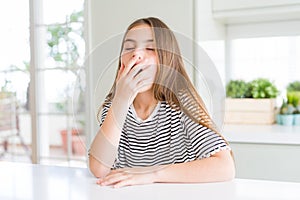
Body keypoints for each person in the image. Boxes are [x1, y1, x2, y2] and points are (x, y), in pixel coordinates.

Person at [88, 17, 235, 188]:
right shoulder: (115, 107)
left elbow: (226, 167)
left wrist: (151, 173)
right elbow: (99, 169)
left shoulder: (182, 105)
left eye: (150, 48)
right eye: (129, 47)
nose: (136, 54)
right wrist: (120, 100)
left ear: (167, 59)